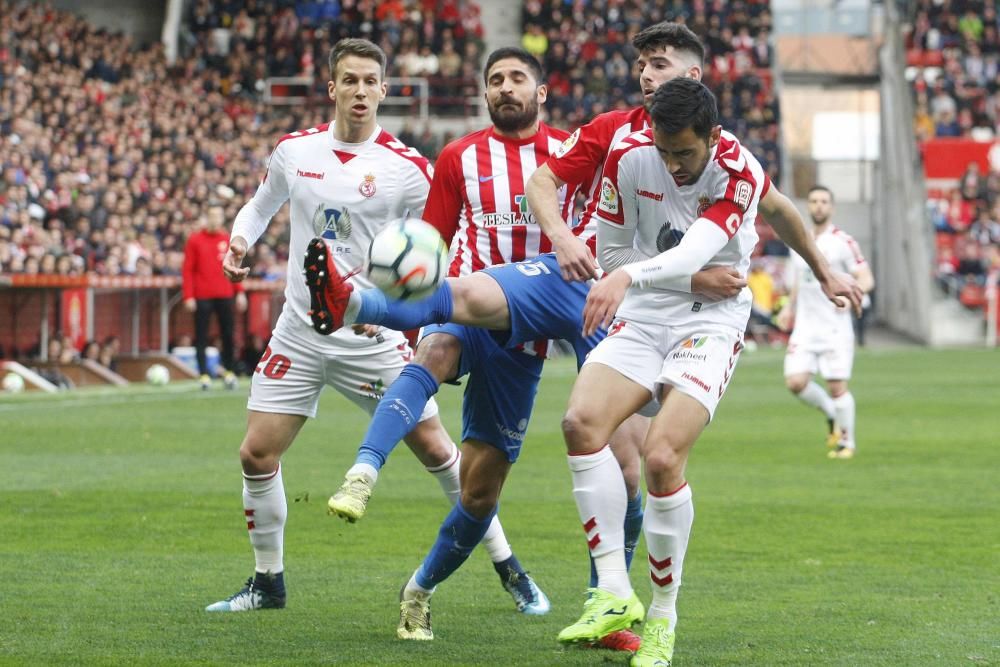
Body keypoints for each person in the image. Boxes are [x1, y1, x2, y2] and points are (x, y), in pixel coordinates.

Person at [305, 52, 744, 643]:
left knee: (629, 467)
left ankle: (609, 604)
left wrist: (814, 266)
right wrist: (561, 240)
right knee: (475, 478)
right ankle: (379, 496)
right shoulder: (559, 140)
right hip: (530, 286)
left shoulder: (686, 148)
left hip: (613, 302)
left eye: (660, 66)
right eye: (639, 63)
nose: (646, 75)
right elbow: (495, 211)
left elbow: (759, 208)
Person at [206, 38, 533, 615]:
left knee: (438, 452)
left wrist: (395, 310)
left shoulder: (408, 170)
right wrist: (240, 240)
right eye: (349, 81)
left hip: (372, 335)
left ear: (385, 89)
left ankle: (509, 566)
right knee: (256, 454)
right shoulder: (294, 151)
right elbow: (260, 206)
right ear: (332, 88)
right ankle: (267, 584)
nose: (359, 91)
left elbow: (435, 247)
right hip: (300, 330)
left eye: (370, 82)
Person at [552, 79, 862, 667]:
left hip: (713, 322)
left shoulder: (736, 169)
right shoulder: (627, 154)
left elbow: (697, 250)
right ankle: (615, 593)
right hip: (647, 313)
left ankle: (663, 618)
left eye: (684, 154)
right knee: (579, 422)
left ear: (712, 138)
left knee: (663, 458)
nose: (672, 165)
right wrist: (652, 278)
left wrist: (817, 270)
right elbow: (615, 255)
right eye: (664, 152)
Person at [775, 185, 874, 459]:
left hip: (834, 326)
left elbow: (866, 278)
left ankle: (847, 443)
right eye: (814, 201)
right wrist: (789, 308)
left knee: (837, 386)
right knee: (795, 382)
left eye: (824, 201)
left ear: (831, 207)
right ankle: (831, 412)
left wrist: (853, 295)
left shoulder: (844, 242)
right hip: (805, 327)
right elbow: (799, 278)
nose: (819, 206)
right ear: (808, 206)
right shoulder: (799, 239)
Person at [182, 202, 247, 390]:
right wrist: (189, 296)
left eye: (218, 216)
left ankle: (229, 371)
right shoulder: (195, 240)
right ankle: (203, 374)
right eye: (212, 215)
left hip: (225, 293)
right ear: (206, 217)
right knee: (201, 336)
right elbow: (188, 269)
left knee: (228, 335)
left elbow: (234, 266)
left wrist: (240, 292)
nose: (215, 219)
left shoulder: (227, 239)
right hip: (202, 295)